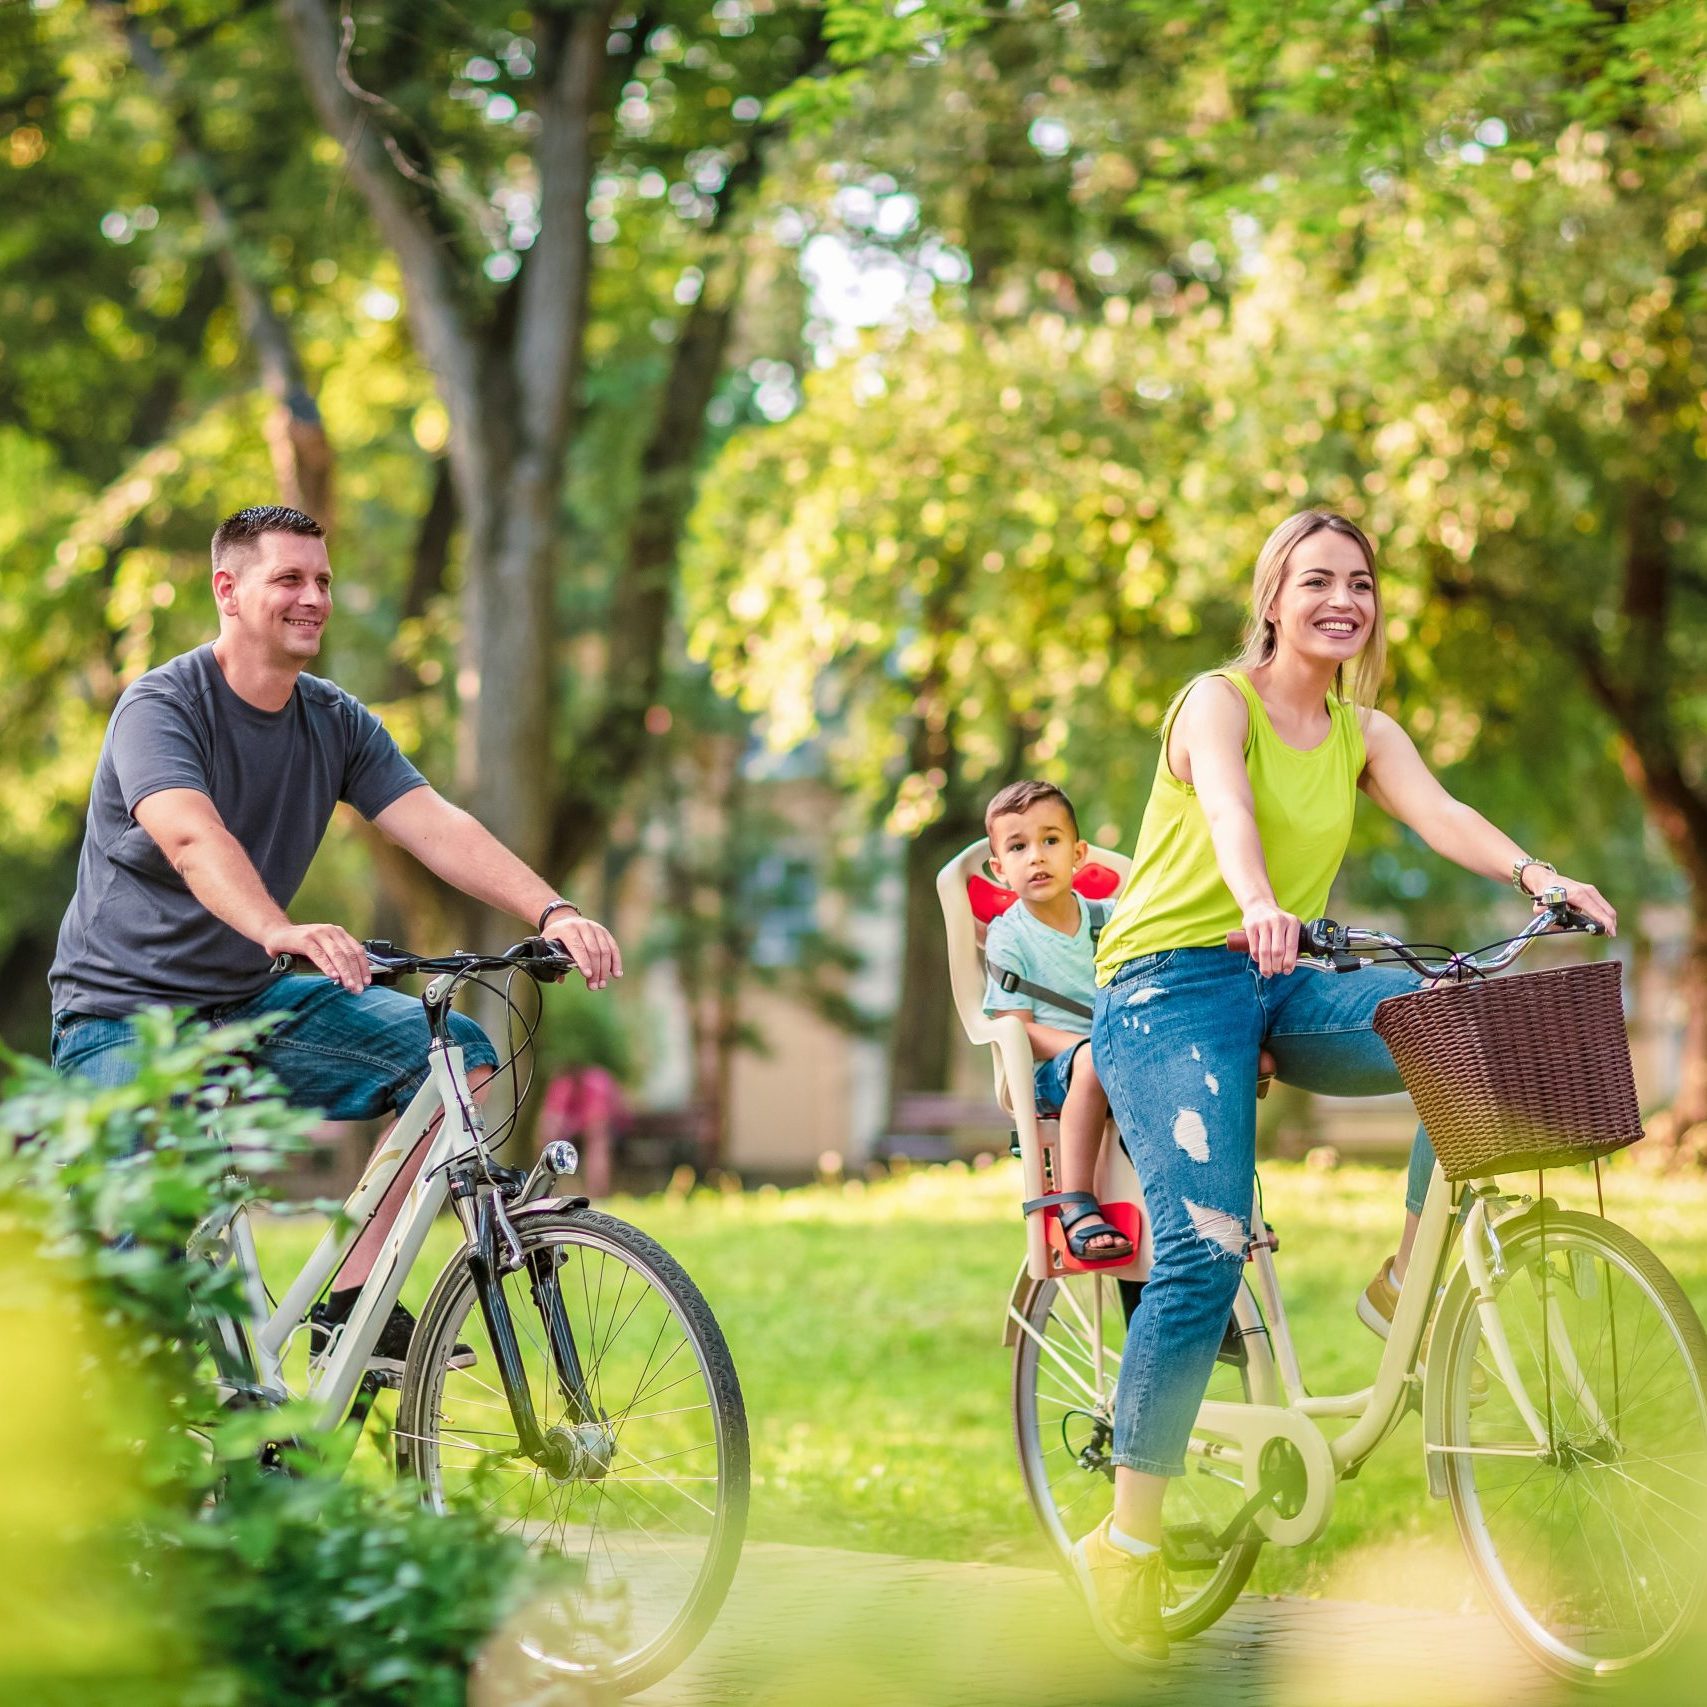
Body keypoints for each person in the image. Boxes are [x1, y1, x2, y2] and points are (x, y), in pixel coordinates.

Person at [1073, 508, 1616, 1665]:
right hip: (1167, 991)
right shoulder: (1217, 701)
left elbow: (1443, 814)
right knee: (1204, 1250)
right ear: (1272, 598)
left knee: (1463, 1034)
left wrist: (1537, 871)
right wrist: (1259, 897)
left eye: (1360, 583)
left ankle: (1402, 1275)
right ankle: (1128, 1540)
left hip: (1279, 976)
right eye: (1316, 580)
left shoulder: (1365, 730)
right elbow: (1225, 807)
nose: (1342, 600)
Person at [48, 504, 622, 1373]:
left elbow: (434, 823)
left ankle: (352, 1301)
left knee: (453, 1056)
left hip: (248, 1001)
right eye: (288, 578)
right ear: (228, 590)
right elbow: (192, 837)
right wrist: (279, 927)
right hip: (123, 1016)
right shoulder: (159, 706)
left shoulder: (335, 719)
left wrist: (553, 911)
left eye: (321, 580)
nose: (312, 596)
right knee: (142, 1272)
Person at [982, 781, 1130, 1261]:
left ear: (1078, 852)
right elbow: (1017, 1026)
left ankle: (1216, 1205)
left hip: (1121, 1055)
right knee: (1092, 1062)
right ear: (999, 869)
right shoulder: (1011, 937)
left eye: (1050, 841)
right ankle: (1077, 1202)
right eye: (1018, 847)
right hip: (1055, 1071)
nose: (1036, 857)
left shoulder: (1109, 919)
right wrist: (1090, 1048)